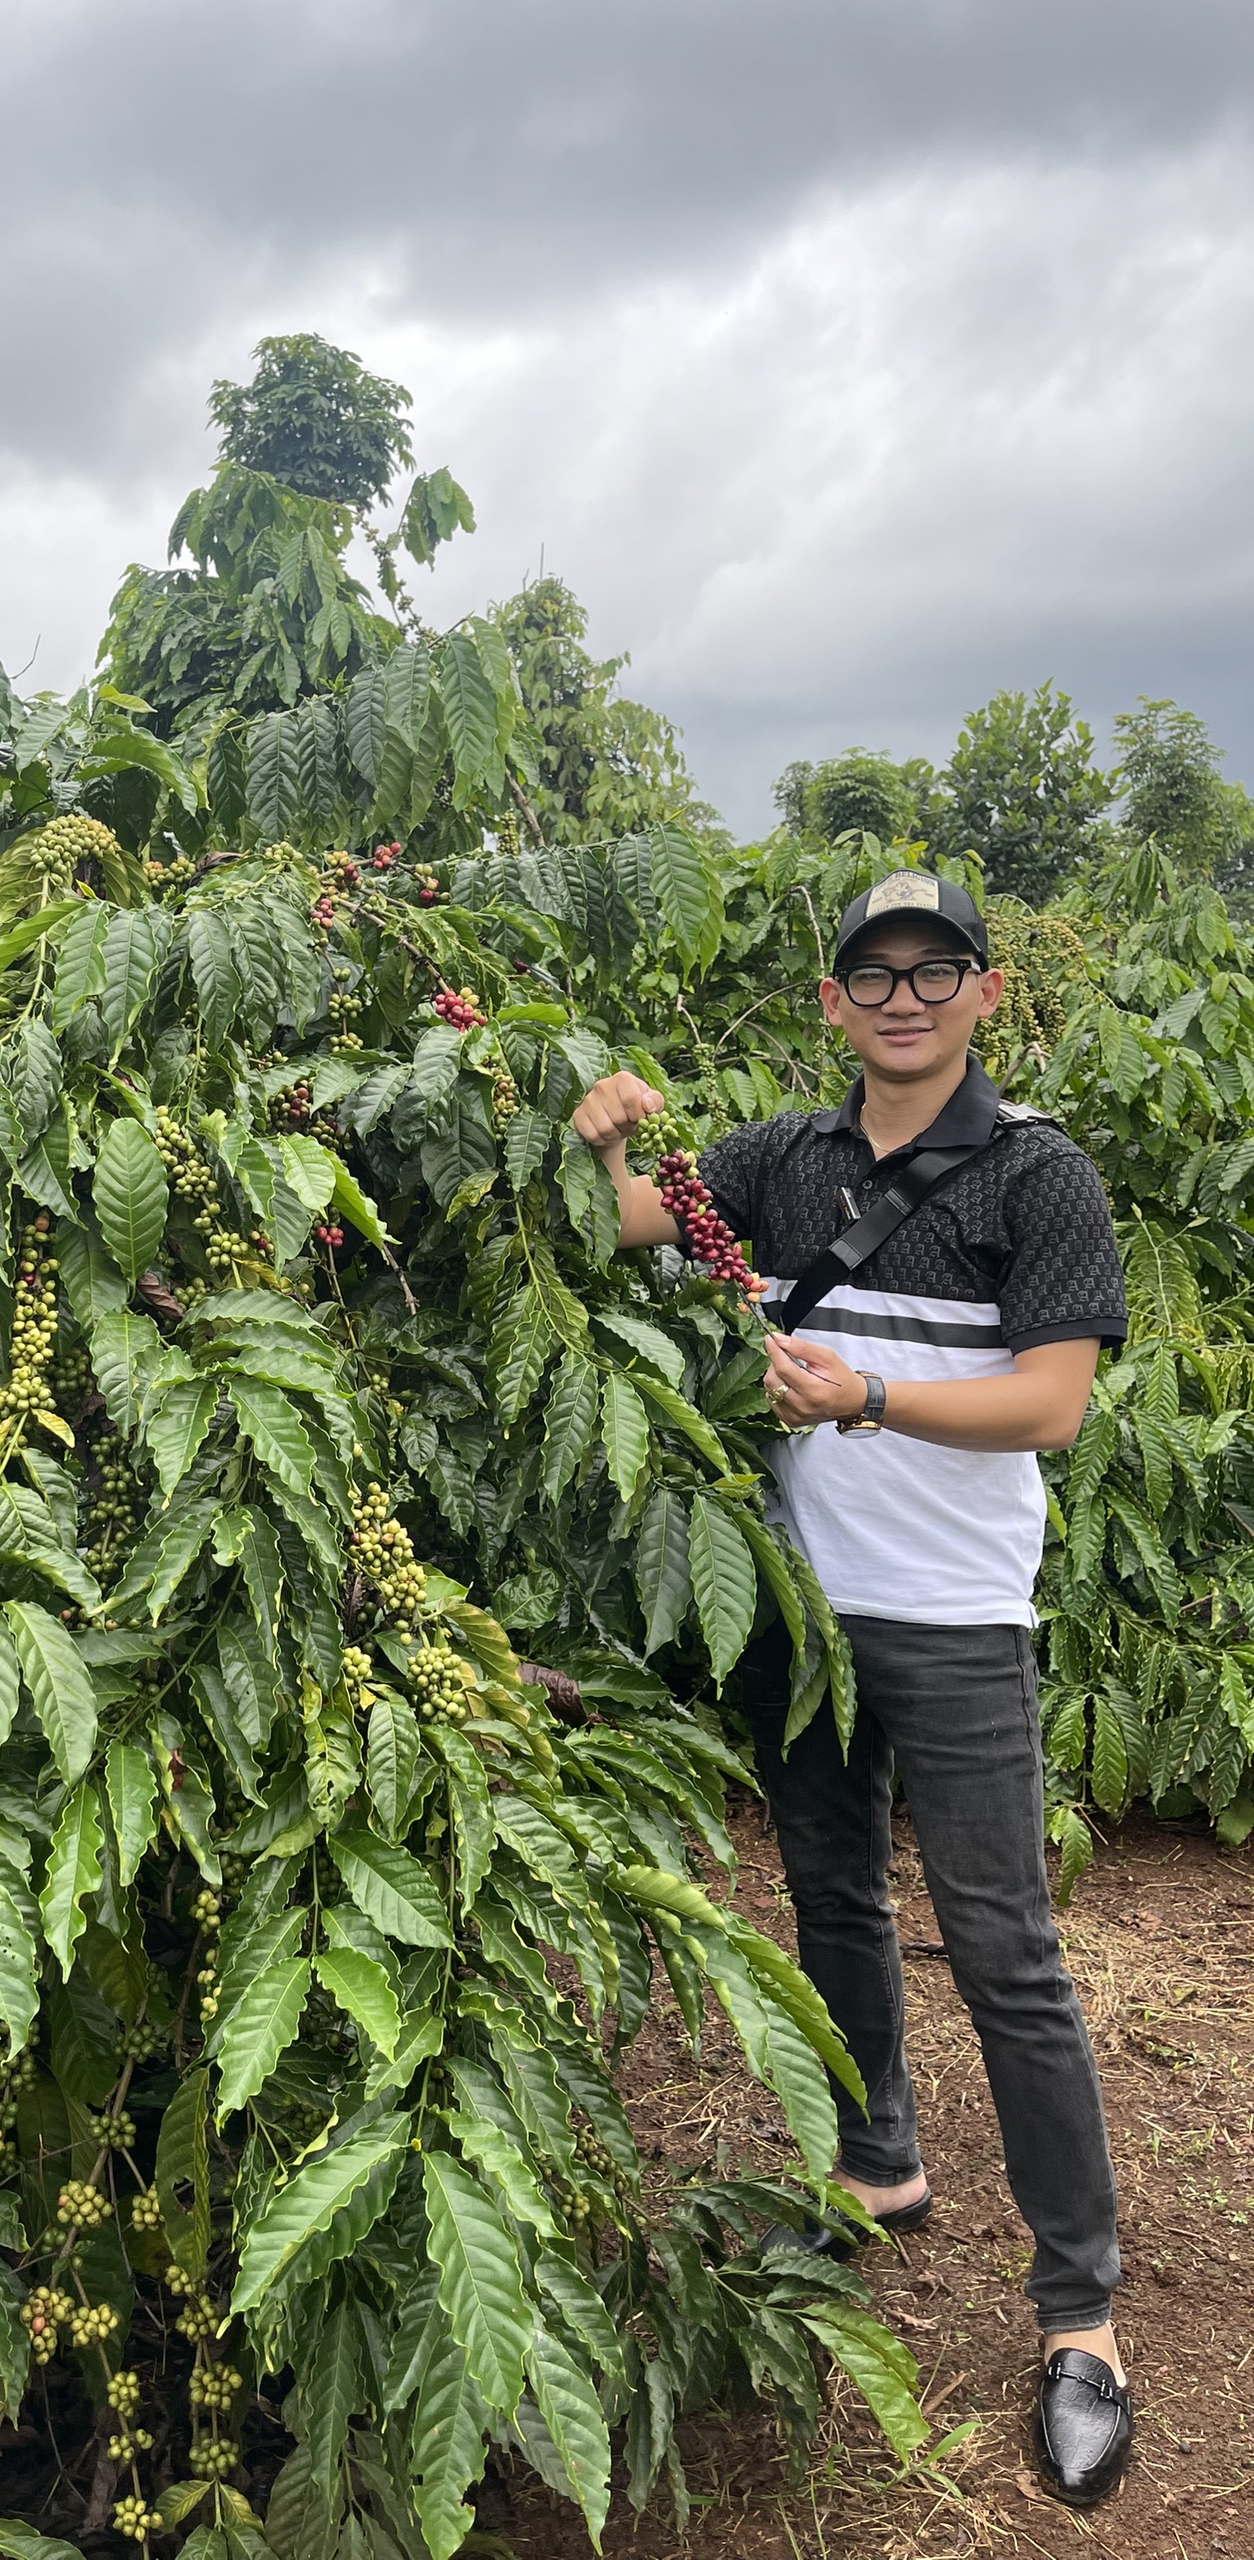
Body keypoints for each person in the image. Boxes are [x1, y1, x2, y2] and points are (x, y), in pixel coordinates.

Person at [572, 869, 1134, 2508]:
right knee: (829, 1899)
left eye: (933, 970)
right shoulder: (777, 1160)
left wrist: (873, 1393)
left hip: (956, 1618)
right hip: (799, 1619)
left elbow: (1052, 1405)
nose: (903, 996)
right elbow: (630, 1230)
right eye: (872, 973)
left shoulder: (1041, 1177)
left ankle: (1082, 2312)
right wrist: (603, 1132)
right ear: (833, 1001)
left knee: (1004, 1947)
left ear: (984, 991)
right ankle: (876, 2162)